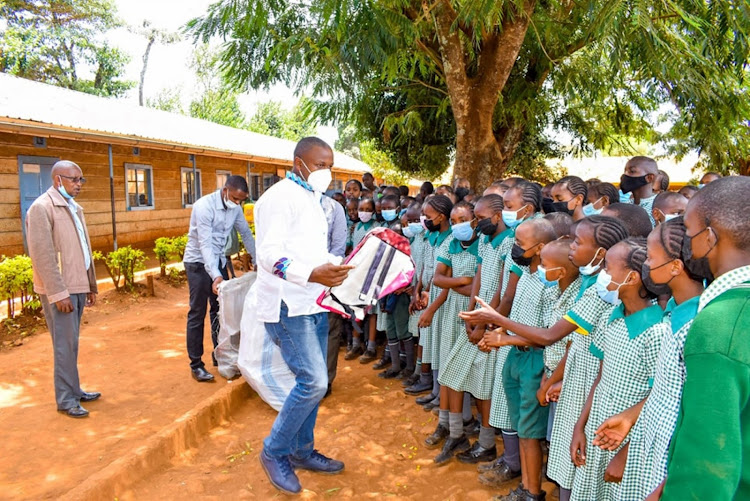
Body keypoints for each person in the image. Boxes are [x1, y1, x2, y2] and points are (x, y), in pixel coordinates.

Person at [461, 215, 629, 501]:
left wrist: (498, 322)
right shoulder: (583, 286)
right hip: (558, 373)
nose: (573, 246)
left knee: (565, 450)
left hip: (575, 380)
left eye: (579, 241)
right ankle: (528, 488)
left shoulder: (590, 291)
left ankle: (533, 491)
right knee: (547, 440)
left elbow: (554, 336)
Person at [254, 137, 354, 494]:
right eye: (320, 164)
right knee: (314, 382)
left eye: (331, 165)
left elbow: (311, 252)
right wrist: (311, 274)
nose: (327, 172)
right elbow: (267, 255)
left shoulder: (313, 200)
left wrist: (334, 271)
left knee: (310, 383)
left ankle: (301, 451)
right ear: (299, 162)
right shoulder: (279, 198)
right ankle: (274, 451)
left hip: (314, 302)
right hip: (287, 304)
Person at [590, 218, 703, 500]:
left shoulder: (696, 324)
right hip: (647, 441)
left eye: (651, 258)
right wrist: (629, 417)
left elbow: (692, 411)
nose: (646, 267)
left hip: (667, 458)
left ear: (675, 267)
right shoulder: (674, 310)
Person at [659, 177, 750, 500]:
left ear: (709, 237)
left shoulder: (719, 324)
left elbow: (707, 467)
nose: (685, 240)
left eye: (687, 229)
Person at [569, 238, 669, 501]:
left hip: (629, 442)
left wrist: (624, 454)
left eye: (608, 268)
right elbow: (600, 378)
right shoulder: (611, 317)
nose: (602, 275)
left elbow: (659, 397)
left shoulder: (657, 332)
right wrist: (580, 427)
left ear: (633, 277)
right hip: (598, 431)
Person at [438, 194, 511, 465]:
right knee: (451, 374)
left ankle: (486, 444)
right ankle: (457, 433)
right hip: (478, 316)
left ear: (497, 216)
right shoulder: (486, 240)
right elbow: (479, 277)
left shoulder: (509, 242)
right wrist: (470, 313)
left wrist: (483, 322)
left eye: (478, 218)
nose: (476, 225)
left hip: (493, 320)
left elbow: (504, 291)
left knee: (484, 388)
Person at [26, 160, 99, 418]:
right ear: (58, 180)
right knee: (64, 345)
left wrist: (90, 285)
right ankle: (66, 400)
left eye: (81, 180)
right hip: (62, 291)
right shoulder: (42, 208)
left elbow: (83, 247)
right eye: (74, 179)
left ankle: (74, 390)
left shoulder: (73, 207)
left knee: (72, 343)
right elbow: (43, 255)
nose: (79, 184)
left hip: (77, 286)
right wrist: (58, 293)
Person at [183, 175, 257, 382]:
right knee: (197, 312)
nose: (237, 203)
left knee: (221, 310)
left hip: (219, 261)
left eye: (241, 200)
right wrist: (215, 276)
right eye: (234, 198)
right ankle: (196, 364)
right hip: (198, 264)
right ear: (225, 190)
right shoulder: (204, 206)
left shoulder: (235, 208)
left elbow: (246, 234)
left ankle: (220, 355)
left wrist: (258, 259)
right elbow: (205, 244)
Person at [430, 201, 482, 465]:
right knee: (448, 373)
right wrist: (463, 282)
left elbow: (482, 287)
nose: (457, 224)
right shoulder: (451, 242)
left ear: (475, 219)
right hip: (452, 311)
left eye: (463, 218)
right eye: (453, 220)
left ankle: (460, 431)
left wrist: (460, 286)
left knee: (459, 373)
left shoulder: (482, 244)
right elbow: (437, 279)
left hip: (472, 314)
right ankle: (447, 425)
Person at [412, 195, 454, 408]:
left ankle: (440, 394)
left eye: (428, 216)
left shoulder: (451, 240)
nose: (424, 220)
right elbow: (426, 267)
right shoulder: (432, 236)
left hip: (443, 300)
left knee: (441, 346)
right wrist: (419, 290)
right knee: (432, 344)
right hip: (430, 295)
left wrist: (429, 293)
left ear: (441, 216)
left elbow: (445, 276)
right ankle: (436, 392)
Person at [321, 194, 348, 396]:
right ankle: (312, 380)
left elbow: (338, 247)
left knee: (330, 329)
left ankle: (326, 382)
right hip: (300, 281)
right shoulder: (292, 204)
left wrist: (327, 274)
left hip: (328, 280)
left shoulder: (334, 208)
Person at [620, 156, 659, 226]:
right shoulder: (625, 205)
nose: (625, 175)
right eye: (625, 171)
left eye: (632, 171)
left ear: (649, 178)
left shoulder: (659, 204)